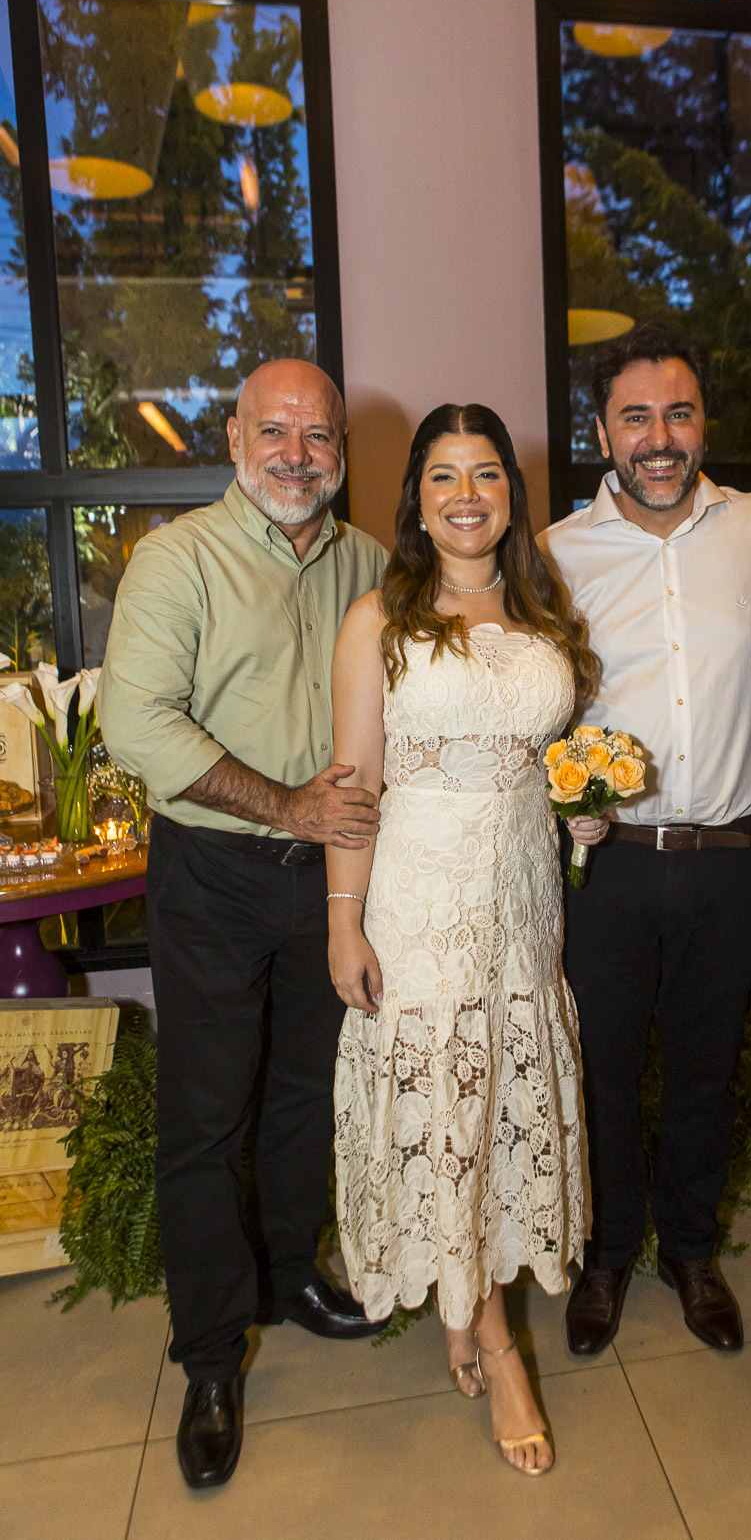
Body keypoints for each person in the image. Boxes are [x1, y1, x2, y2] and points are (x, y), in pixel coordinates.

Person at [97, 360, 389, 1490]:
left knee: (309, 1090)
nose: (297, 456)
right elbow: (137, 725)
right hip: (214, 873)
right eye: (276, 432)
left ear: (340, 449)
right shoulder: (178, 560)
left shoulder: (371, 565)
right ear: (233, 438)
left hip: (336, 876)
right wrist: (286, 806)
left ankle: (292, 1273)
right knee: (207, 1119)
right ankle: (213, 1357)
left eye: (318, 436)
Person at [328, 403, 596, 1476]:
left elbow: (549, 761)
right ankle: (494, 1342)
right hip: (420, 901)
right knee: (449, 1107)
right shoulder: (378, 620)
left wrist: (585, 808)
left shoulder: (544, 612)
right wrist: (342, 922)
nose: (466, 495)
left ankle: (463, 1299)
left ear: (510, 498)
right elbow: (354, 785)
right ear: (417, 500)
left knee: (494, 1110)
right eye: (443, 476)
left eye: (485, 474)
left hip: (524, 900)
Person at [540, 322, 751, 1356]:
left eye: (678, 414)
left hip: (731, 863)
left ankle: (690, 1250)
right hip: (605, 869)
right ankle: (607, 1254)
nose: (659, 438)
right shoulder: (555, 555)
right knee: (601, 1073)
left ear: (704, 424)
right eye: (636, 417)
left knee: (706, 1069)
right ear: (603, 431)